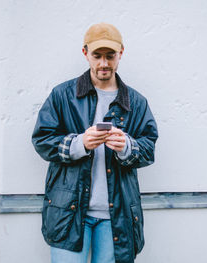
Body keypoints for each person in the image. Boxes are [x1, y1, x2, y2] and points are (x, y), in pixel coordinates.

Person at [32, 22, 158, 263]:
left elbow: (149, 148)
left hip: (117, 216)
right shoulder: (63, 95)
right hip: (67, 213)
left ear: (121, 53)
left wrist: (127, 147)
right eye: (97, 56)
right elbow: (42, 139)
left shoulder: (137, 102)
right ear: (85, 53)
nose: (103, 63)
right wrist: (79, 143)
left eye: (110, 56)